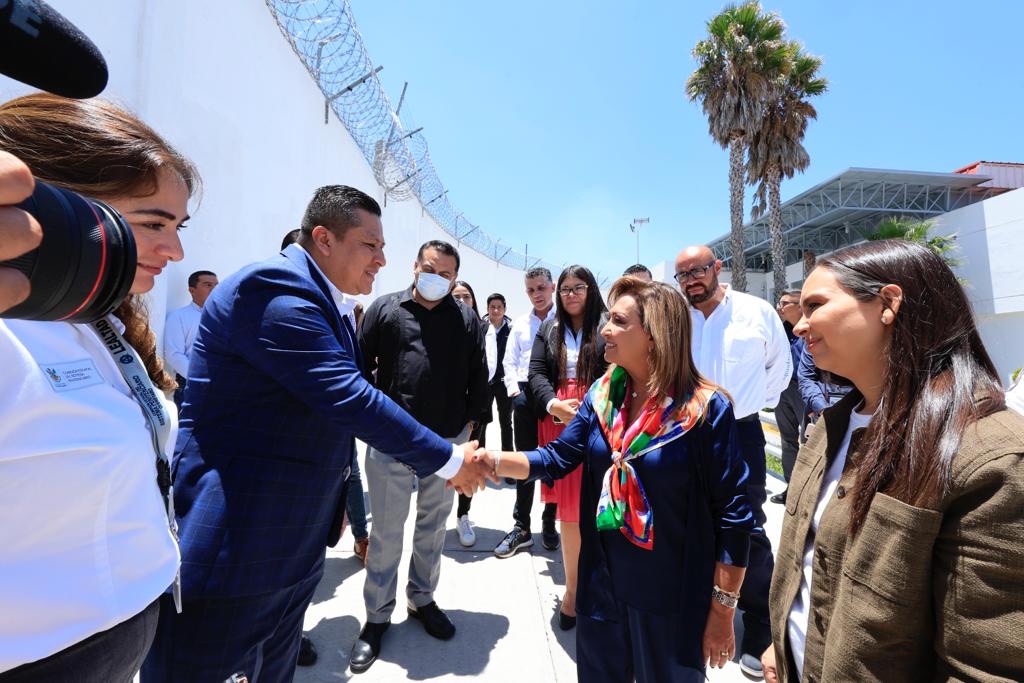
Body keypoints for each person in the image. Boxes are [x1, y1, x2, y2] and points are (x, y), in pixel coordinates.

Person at [141, 188, 494, 682]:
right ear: (324, 239)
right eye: (370, 245)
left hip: (292, 545)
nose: (382, 259)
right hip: (238, 546)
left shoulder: (331, 304)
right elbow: (350, 396)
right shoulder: (275, 289)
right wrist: (452, 460)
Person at [0, 93, 198, 679]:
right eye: (153, 223)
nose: (175, 250)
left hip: (122, 635)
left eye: (178, 226)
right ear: (50, 205)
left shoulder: (101, 319)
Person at [762, 240, 1024, 682]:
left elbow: (984, 664)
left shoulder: (988, 458)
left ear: (887, 303)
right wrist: (785, 640)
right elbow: (809, 565)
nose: (800, 325)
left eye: (815, 306)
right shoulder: (831, 427)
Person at [491, 277, 755, 681]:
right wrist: (489, 461)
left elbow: (734, 519)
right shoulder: (602, 396)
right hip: (603, 589)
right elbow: (557, 457)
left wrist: (722, 611)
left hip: (669, 600)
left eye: (618, 321)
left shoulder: (704, 410)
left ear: (654, 335)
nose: (604, 330)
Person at [351, 241, 488, 673]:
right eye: (430, 268)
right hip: (391, 441)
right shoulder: (385, 309)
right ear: (415, 266)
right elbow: (358, 367)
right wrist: (370, 422)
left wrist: (470, 429)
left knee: (432, 528)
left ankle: (422, 599)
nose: (437, 278)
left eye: (446, 274)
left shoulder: (466, 318)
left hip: (446, 443)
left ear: (455, 277)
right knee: (386, 533)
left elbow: (478, 375)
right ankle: (376, 618)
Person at [674, 244, 791, 679]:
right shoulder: (675, 318)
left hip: (740, 433)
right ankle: (699, 605)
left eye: (699, 270)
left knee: (748, 528)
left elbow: (780, 368)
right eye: (684, 275)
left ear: (717, 268)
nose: (692, 280)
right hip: (684, 432)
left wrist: (748, 405)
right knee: (688, 520)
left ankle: (761, 621)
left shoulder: (756, 312)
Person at [529, 265, 608, 630]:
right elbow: (536, 373)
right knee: (572, 514)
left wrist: (595, 404)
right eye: (565, 289)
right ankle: (573, 592)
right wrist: (553, 405)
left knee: (604, 507)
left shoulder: (608, 324)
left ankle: (604, 586)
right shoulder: (549, 328)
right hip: (559, 419)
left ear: (591, 290)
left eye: (579, 287)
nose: (571, 294)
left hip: (603, 414)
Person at [495, 267, 560, 557]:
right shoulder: (521, 324)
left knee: (554, 463)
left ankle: (549, 522)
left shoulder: (564, 321)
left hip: (554, 398)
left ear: (552, 287)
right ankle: (522, 526)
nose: (537, 294)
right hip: (524, 397)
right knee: (524, 463)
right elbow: (509, 361)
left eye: (541, 288)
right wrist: (515, 393)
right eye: (531, 290)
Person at [450, 279, 487, 547]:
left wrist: (475, 415)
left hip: (473, 411)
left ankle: (463, 515)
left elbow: (483, 373)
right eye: (457, 296)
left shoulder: (484, 328)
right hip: (442, 410)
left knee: (469, 465)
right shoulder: (439, 324)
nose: (462, 301)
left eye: (466, 296)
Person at [164, 270, 218, 408]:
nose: (214, 289)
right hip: (192, 384)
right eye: (208, 285)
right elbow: (174, 354)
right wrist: (200, 379)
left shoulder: (225, 317)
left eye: (216, 285)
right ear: (192, 290)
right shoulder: (179, 317)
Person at [771, 290, 805, 505]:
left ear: (799, 305)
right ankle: (791, 488)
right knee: (787, 440)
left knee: (810, 442)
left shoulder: (810, 328)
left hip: (806, 391)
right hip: (783, 390)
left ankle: (809, 492)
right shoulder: (779, 331)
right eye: (779, 302)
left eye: (784, 303)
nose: (779, 307)